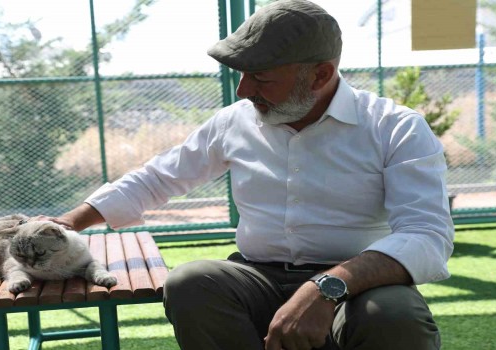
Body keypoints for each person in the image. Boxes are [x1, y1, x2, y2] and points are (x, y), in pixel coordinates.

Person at [42, 0, 454, 349]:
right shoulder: (234, 121)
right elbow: (158, 178)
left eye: (260, 77)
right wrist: (64, 224)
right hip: (256, 276)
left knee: (394, 314)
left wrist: (325, 286)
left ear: (321, 75)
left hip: (361, 285)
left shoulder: (394, 127)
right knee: (191, 282)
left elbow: (427, 236)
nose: (242, 91)